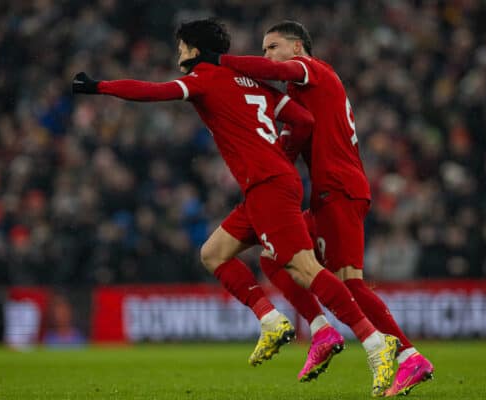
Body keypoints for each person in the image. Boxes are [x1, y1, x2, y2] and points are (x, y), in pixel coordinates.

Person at [73, 18, 399, 396]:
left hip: (267, 187)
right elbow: (303, 118)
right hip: (270, 184)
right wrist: (281, 157)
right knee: (214, 253)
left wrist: (100, 86)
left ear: (194, 50)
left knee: (304, 266)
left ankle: (375, 342)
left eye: (181, 47)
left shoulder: (205, 78)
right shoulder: (255, 85)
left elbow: (153, 91)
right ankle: (277, 321)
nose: (178, 54)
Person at [182, 20, 434, 396]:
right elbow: (292, 138)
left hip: (340, 188)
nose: (266, 55)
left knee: (351, 283)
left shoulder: (311, 71)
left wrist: (220, 60)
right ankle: (320, 330)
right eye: (264, 48)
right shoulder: (300, 99)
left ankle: (409, 356)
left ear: (297, 47)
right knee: (272, 258)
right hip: (327, 192)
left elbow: (273, 71)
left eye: (272, 46)